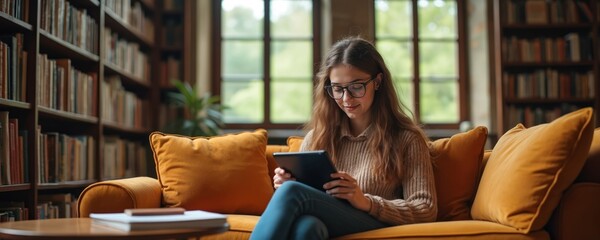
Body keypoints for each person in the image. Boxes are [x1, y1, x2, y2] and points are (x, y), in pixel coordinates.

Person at [250, 36, 437, 240]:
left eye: (356, 87)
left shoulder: (407, 139)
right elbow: (306, 197)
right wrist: (285, 183)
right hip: (328, 221)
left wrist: (366, 202)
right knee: (307, 228)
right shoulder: (317, 137)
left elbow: (425, 209)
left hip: (376, 223)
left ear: (377, 82)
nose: (346, 99)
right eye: (337, 89)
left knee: (294, 193)